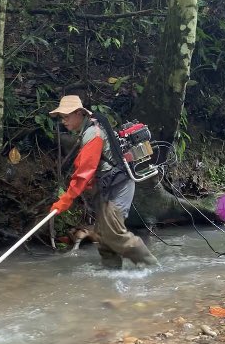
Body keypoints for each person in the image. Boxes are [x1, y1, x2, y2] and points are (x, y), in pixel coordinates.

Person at [49, 95, 158, 268]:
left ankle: (153, 268)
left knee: (115, 234)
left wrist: (64, 201)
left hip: (118, 186)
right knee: (103, 237)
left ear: (79, 113)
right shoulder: (88, 130)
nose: (63, 121)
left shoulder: (94, 134)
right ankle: (112, 274)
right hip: (106, 187)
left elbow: (84, 173)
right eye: (62, 117)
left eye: (66, 116)